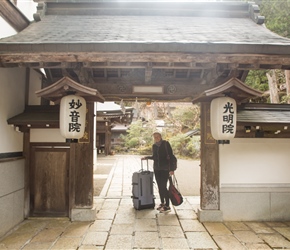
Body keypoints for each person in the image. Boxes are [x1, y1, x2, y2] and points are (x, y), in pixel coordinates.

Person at [142, 131, 176, 213]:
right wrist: (146, 157)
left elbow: (171, 156)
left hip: (165, 169)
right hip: (157, 169)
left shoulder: (166, 144)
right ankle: (162, 203)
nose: (156, 138)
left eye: (158, 136)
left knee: (163, 187)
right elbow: (154, 157)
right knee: (160, 187)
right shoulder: (154, 146)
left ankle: (167, 205)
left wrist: (172, 169)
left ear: (160, 137)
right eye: (155, 137)